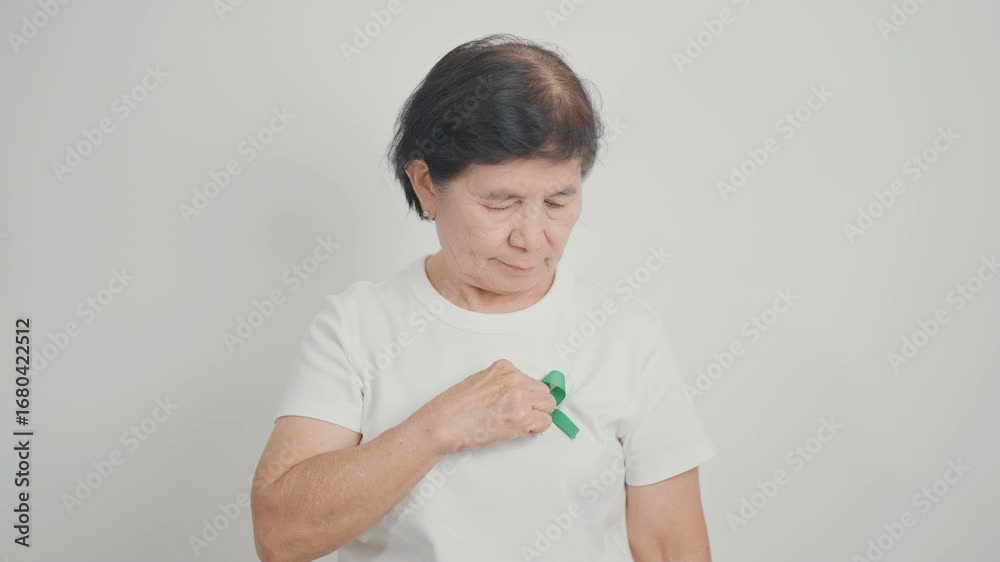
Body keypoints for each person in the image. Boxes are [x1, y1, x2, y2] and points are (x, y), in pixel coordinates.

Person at [250, 33, 717, 562]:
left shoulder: (626, 334)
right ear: (427, 185)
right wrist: (440, 427)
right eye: (501, 203)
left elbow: (670, 545)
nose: (532, 237)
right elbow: (280, 536)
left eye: (558, 200)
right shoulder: (356, 327)